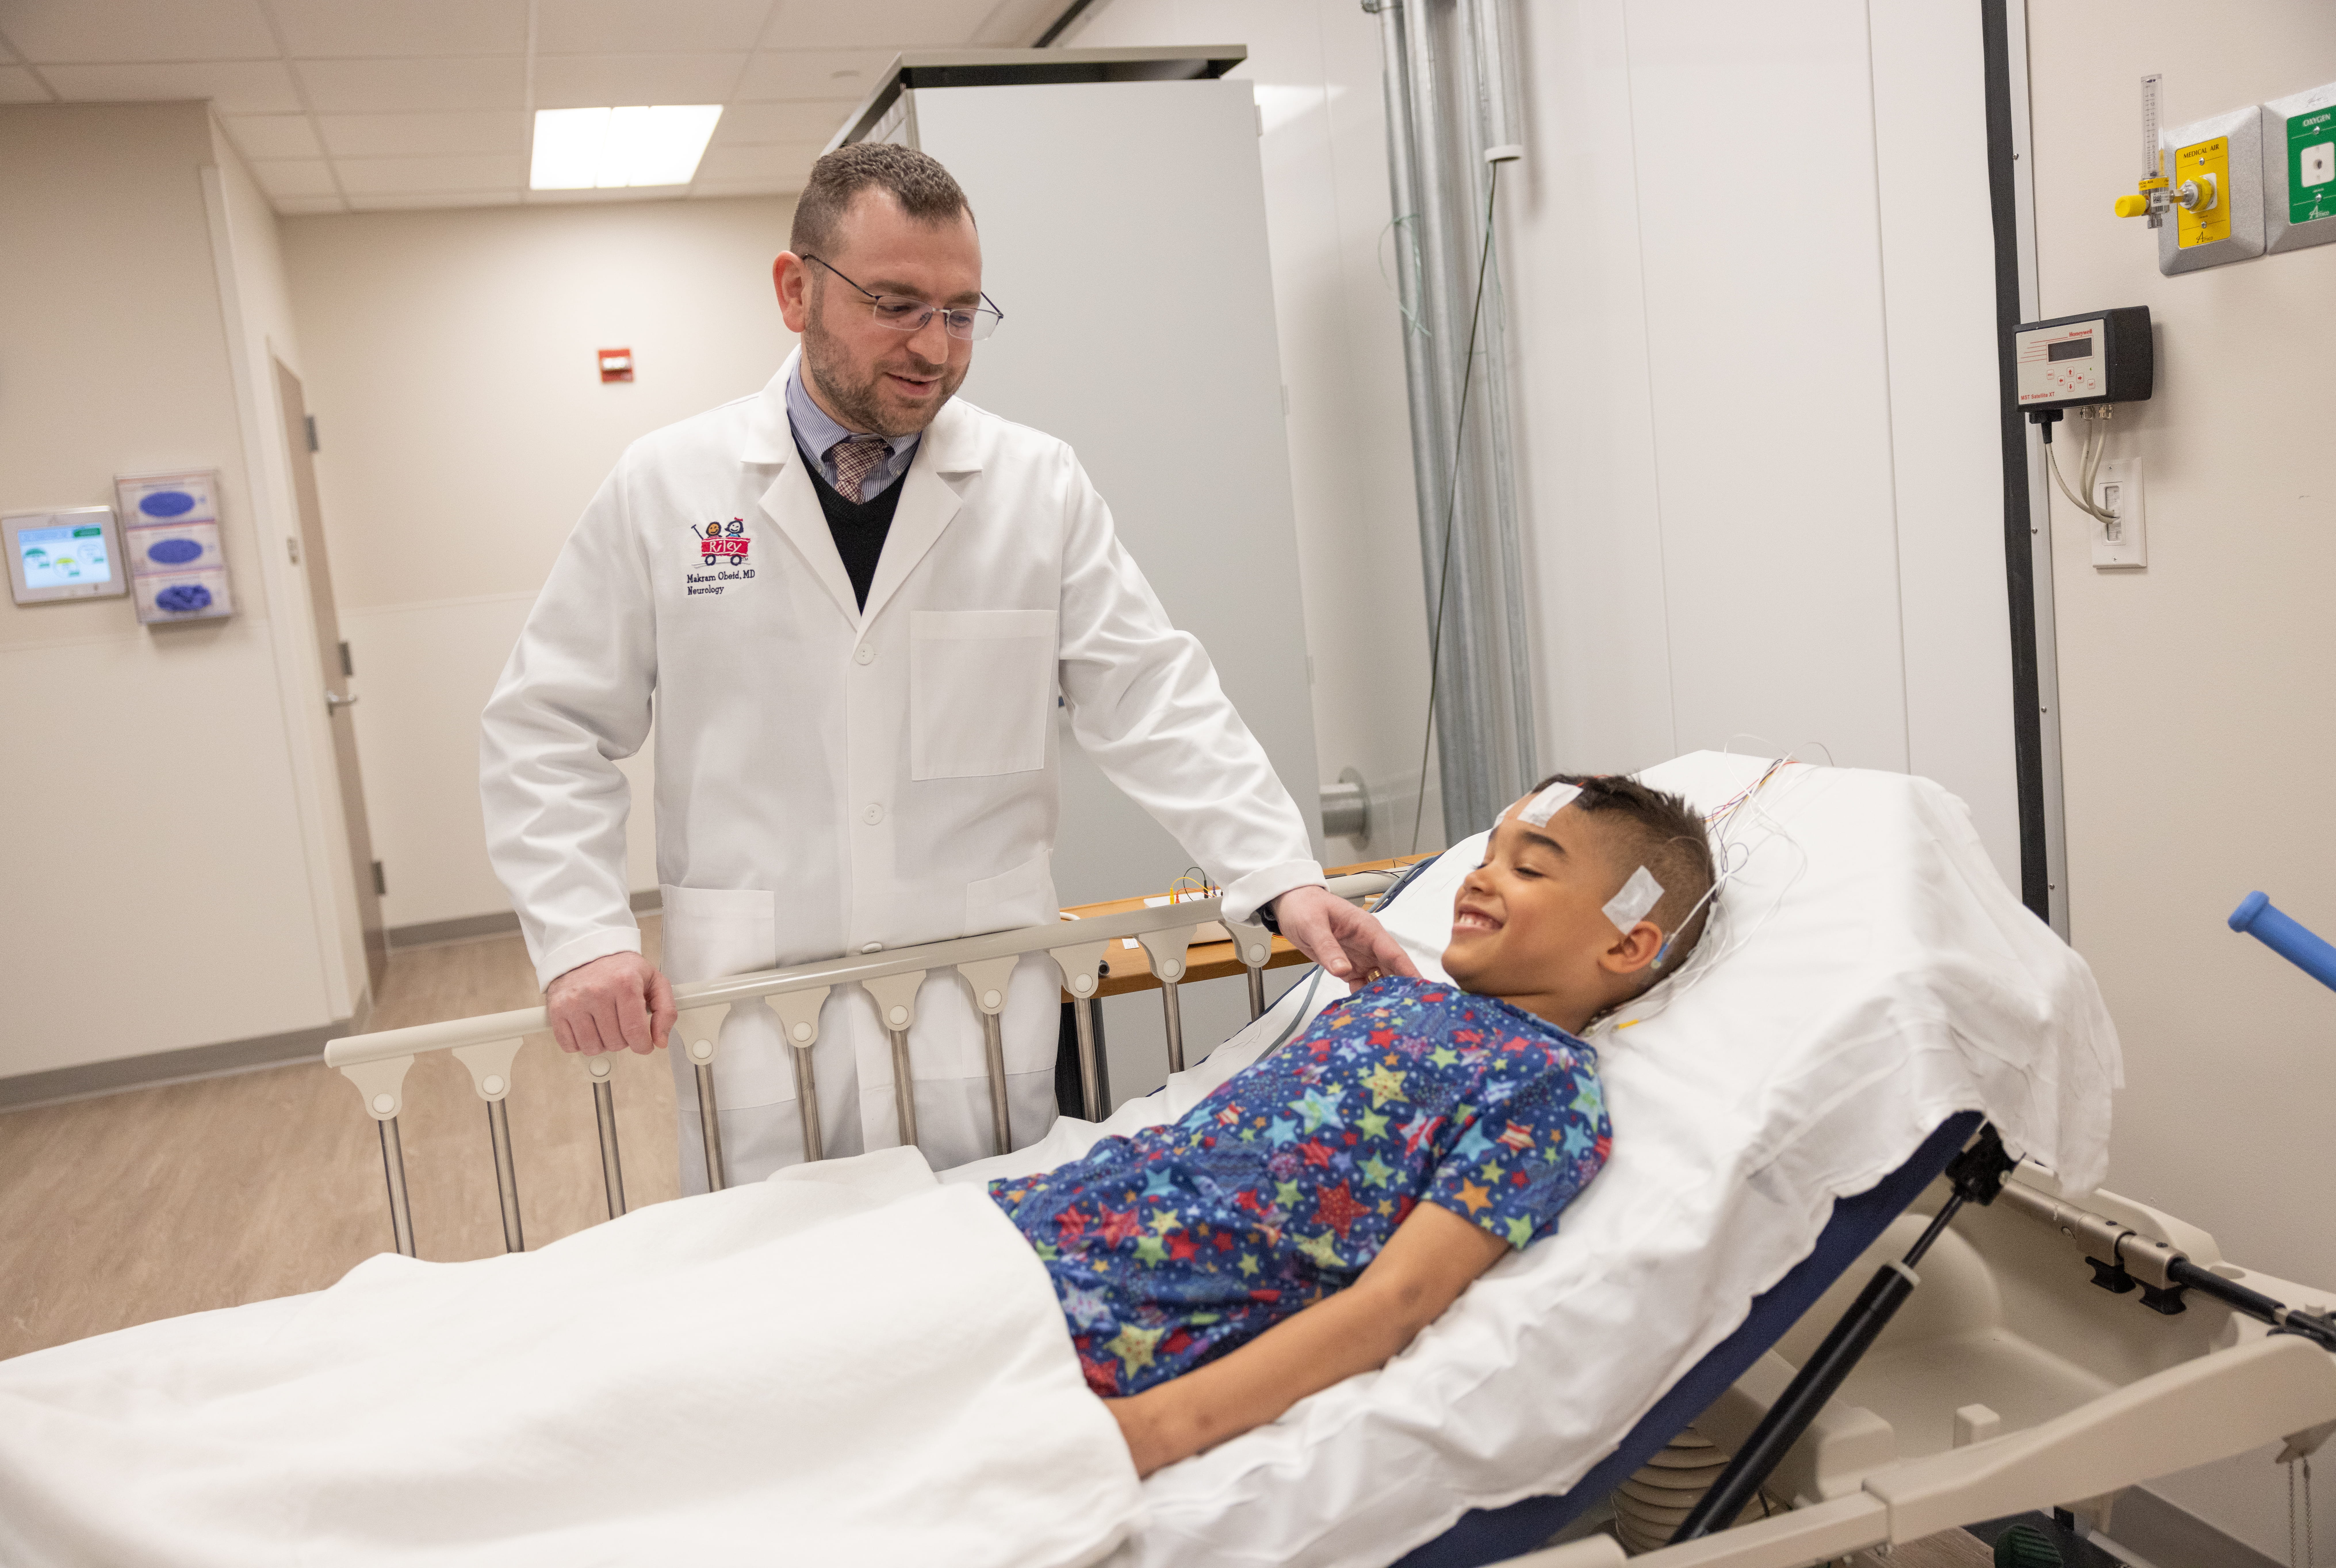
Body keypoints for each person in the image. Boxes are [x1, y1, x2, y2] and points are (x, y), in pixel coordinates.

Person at [480, 142, 1412, 1186]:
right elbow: (549, 725)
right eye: (896, 303)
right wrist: (582, 935)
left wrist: (1280, 873)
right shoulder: (666, 486)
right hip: (756, 1005)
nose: (935, 345)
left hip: (976, 1004)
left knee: (994, 1275)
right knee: (777, 1302)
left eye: (962, 312)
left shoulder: (1033, 484)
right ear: (796, 292)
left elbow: (1150, 692)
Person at [990, 773, 1717, 1475]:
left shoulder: (1544, 1085)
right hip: (1026, 1228)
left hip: (1109, 1315)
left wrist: (1152, 1431)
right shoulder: (1393, 999)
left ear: (1627, 943)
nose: (1480, 878)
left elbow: (1397, 1299)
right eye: (1486, 855)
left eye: (1527, 869)